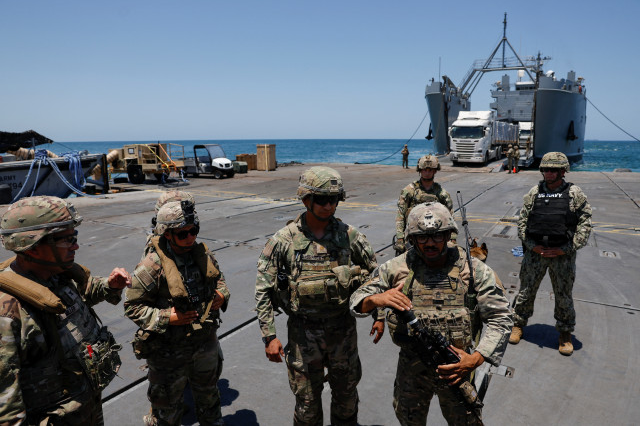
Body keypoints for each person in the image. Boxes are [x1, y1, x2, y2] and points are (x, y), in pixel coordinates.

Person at [350, 202, 513, 425]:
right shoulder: (397, 268)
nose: (430, 243)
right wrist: (375, 299)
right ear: (412, 239)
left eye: (437, 236)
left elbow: (501, 317)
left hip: (456, 367)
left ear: (448, 235)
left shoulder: (472, 270)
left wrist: (476, 359)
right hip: (412, 368)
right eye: (422, 237)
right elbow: (356, 301)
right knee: (409, 419)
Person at [255, 166, 380, 426]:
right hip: (303, 333)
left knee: (346, 399)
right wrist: (269, 336)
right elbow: (264, 289)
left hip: (342, 330)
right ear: (306, 200)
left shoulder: (349, 236)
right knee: (307, 406)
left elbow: (375, 276)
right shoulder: (283, 241)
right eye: (322, 200)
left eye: (334, 200)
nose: (328, 206)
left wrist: (379, 315)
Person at [0, 196, 131, 424]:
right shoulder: (9, 313)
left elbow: (78, 298)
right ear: (32, 247)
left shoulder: (56, 275)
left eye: (75, 237)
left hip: (85, 408)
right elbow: (7, 411)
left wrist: (110, 286)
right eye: (67, 239)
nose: (76, 245)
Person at [124, 199, 230, 425]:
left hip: (205, 344)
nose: (191, 238)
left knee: (210, 399)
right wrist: (168, 317)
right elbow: (132, 306)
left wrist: (221, 296)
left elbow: (219, 281)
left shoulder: (202, 255)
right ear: (167, 234)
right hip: (169, 353)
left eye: (194, 231)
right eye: (183, 234)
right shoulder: (151, 266)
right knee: (167, 410)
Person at [509, 152, 592, 356]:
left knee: (563, 295)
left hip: (562, 255)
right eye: (545, 169)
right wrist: (531, 245)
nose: (548, 173)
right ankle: (518, 324)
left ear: (563, 171)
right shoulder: (534, 192)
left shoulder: (575, 194)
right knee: (526, 291)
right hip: (535, 253)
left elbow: (585, 223)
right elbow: (522, 221)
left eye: (553, 170)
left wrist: (566, 249)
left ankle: (565, 333)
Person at [394, 154, 453, 254]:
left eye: (430, 170)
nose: (427, 173)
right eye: (424, 170)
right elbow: (400, 215)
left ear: (435, 171)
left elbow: (450, 216)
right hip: (414, 236)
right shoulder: (409, 191)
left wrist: (452, 238)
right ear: (420, 171)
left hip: (435, 236)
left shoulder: (442, 193)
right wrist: (400, 238)